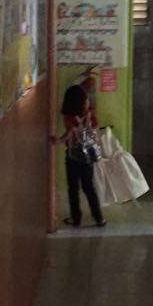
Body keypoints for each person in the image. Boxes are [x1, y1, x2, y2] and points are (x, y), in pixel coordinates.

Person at [53, 80, 106, 227]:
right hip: (88, 157)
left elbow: (68, 134)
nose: (88, 101)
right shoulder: (90, 115)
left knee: (73, 188)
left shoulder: (69, 117)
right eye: (86, 99)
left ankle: (76, 218)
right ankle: (99, 218)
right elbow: (96, 133)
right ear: (81, 102)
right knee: (89, 187)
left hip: (73, 157)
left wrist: (57, 141)